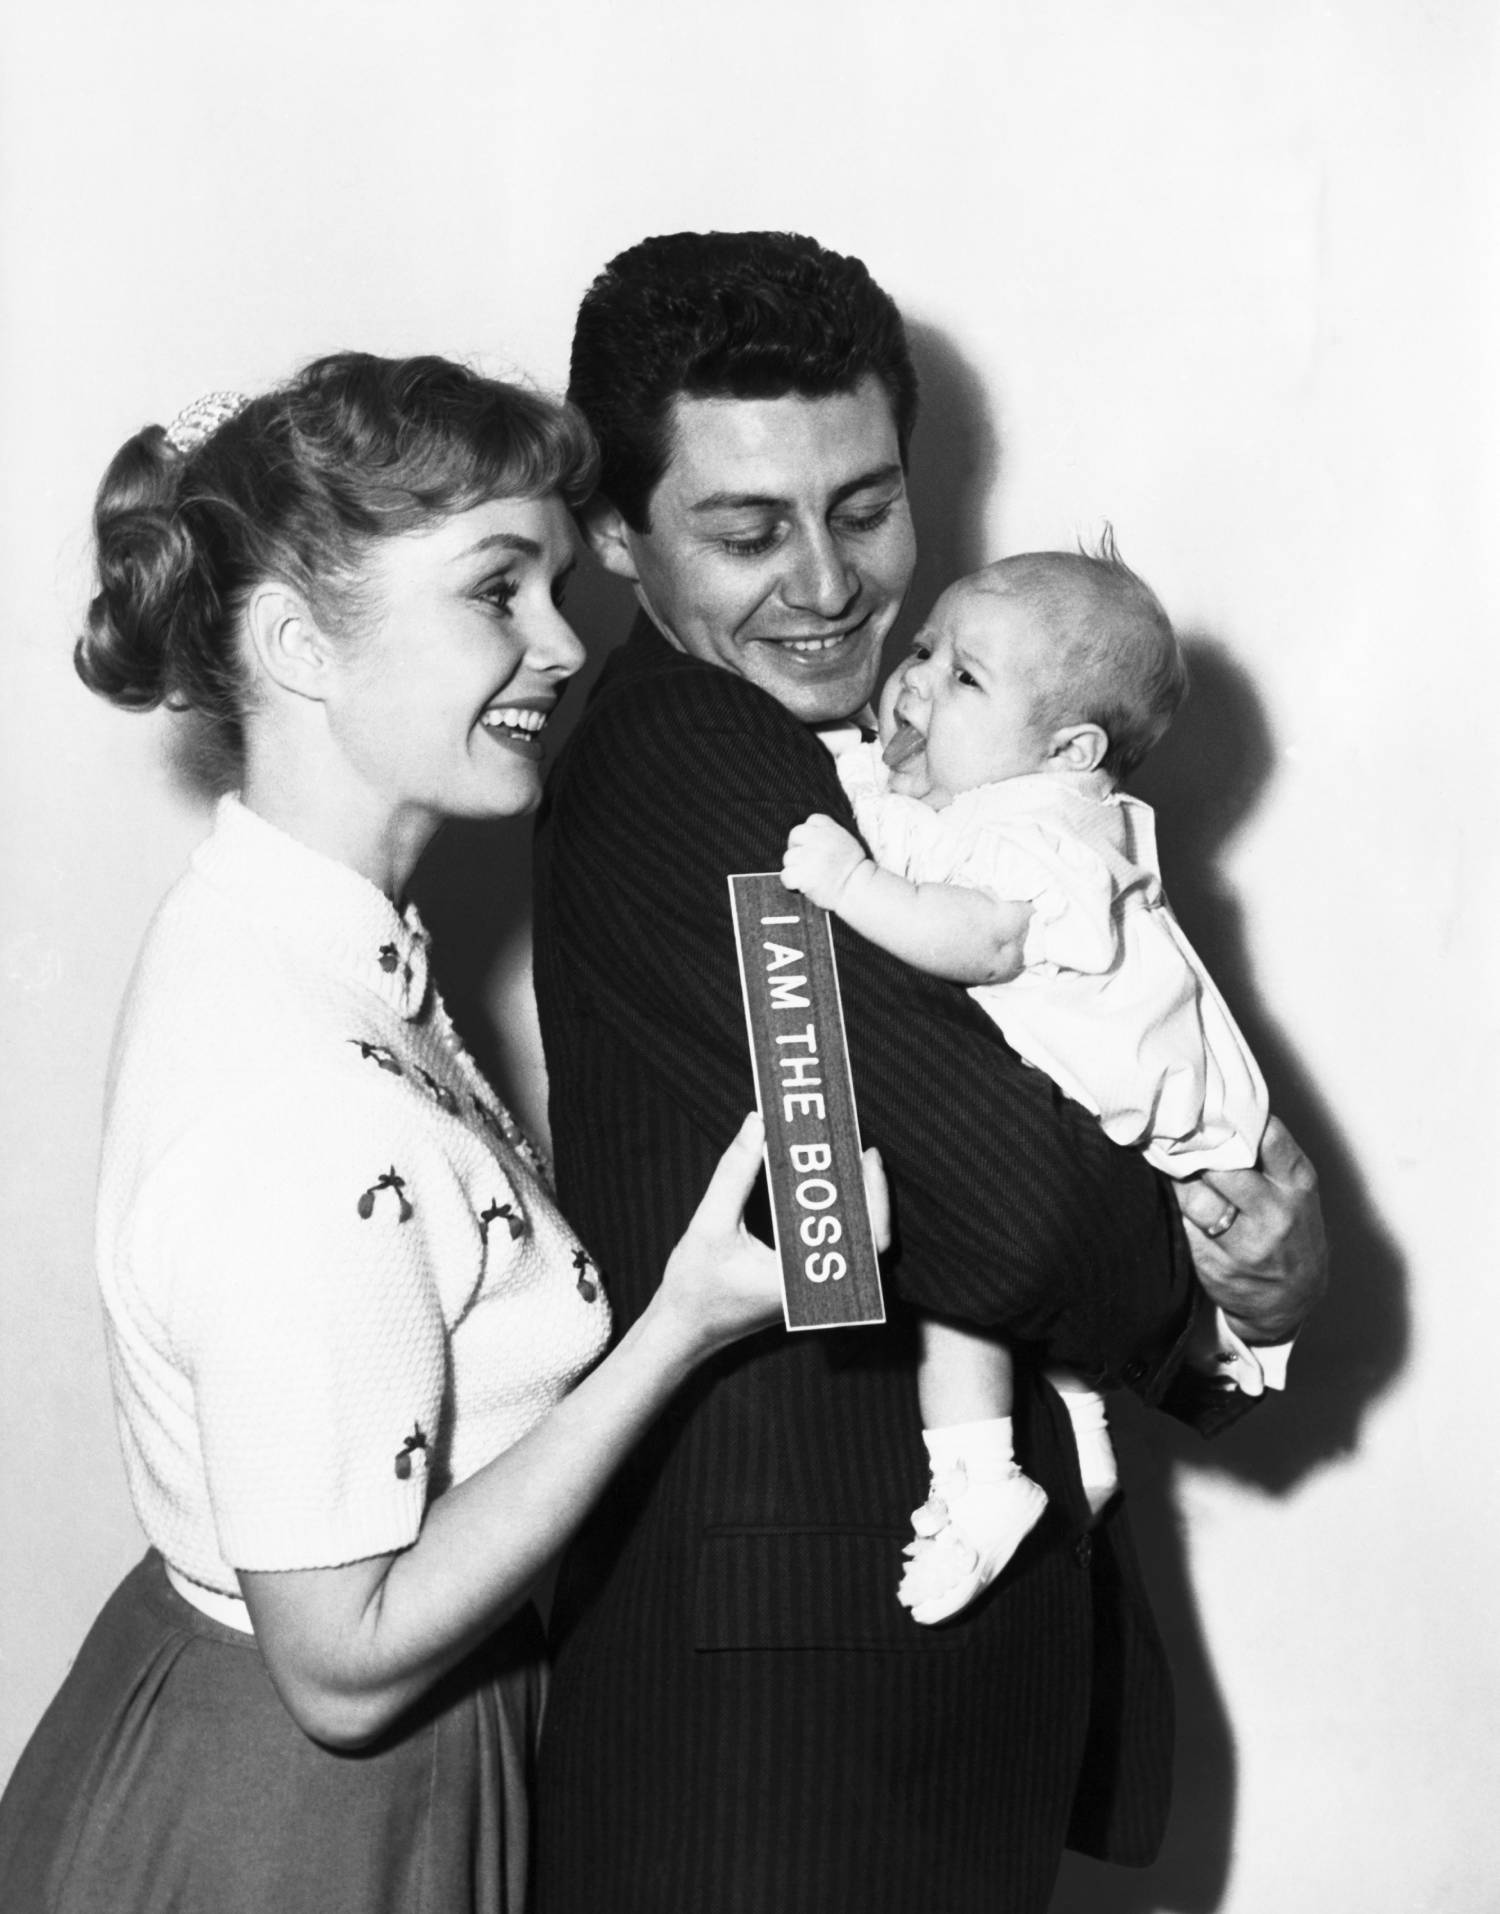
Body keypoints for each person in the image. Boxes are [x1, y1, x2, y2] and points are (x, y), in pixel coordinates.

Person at [0, 353, 884, 1914]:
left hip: (287, 1748)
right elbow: (340, 1669)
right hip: (301, 1812)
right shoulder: (304, 1111)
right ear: (295, 643)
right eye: (498, 589)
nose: (561, 637)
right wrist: (676, 1325)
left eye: (554, 579)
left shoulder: (293, 927)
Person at [532, 230, 1326, 1914]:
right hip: (778, 1749)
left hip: (927, 1703)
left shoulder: (963, 774)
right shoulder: (691, 749)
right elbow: (1025, 1201)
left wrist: (1264, 1277)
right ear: (615, 534)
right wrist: (1193, 1265)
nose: (825, 583)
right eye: (747, 530)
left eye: (865, 507)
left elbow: (1079, 1098)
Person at [781, 541, 1272, 1627]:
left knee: (972, 1282)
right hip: (1127, 1133)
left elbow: (977, 940)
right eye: (924, 649)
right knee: (1014, 1266)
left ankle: (978, 1480)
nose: (912, 681)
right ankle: (1078, 1439)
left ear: (1070, 748)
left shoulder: (1040, 837)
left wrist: (849, 879)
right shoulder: (1006, 813)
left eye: (963, 678)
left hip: (1173, 1135)